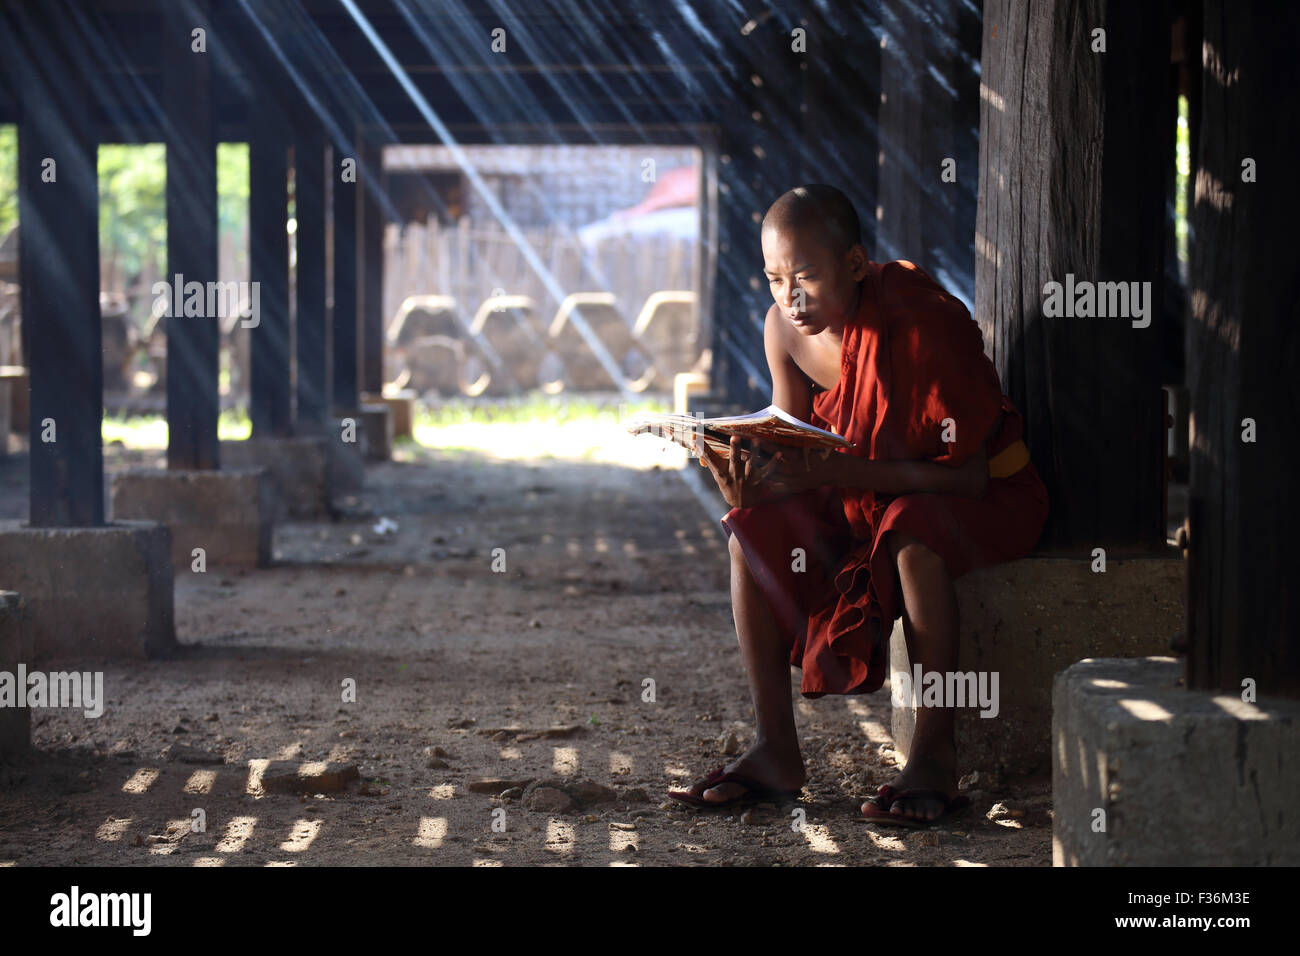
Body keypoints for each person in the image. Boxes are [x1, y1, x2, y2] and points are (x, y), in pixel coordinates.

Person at [667, 184, 1048, 826]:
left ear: (853, 263)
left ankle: (933, 754)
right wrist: (750, 484)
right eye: (774, 279)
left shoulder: (919, 322)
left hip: (981, 495)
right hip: (865, 491)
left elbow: (971, 477)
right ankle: (776, 750)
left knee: (909, 530)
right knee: (748, 530)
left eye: (807, 276)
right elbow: (795, 450)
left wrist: (849, 470)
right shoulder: (783, 330)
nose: (790, 297)